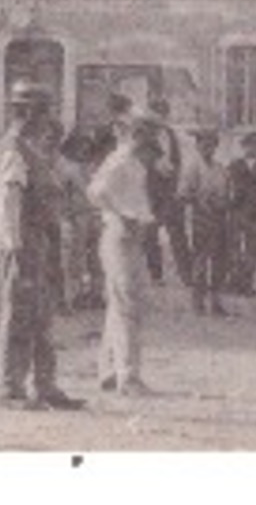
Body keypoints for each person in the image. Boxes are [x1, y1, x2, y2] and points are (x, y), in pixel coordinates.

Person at [0, 81, 83, 411]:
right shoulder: (13, 149)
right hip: (22, 243)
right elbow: (9, 201)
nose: (48, 119)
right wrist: (14, 245)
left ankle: (45, 385)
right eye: (44, 111)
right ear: (27, 112)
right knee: (18, 314)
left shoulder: (34, 151)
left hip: (41, 240)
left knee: (42, 315)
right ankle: (9, 389)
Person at [89, 114, 162, 396]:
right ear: (133, 133)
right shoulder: (120, 160)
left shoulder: (134, 162)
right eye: (145, 133)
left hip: (130, 234)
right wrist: (121, 215)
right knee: (127, 306)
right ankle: (128, 378)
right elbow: (95, 192)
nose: (149, 138)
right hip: (120, 234)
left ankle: (108, 370)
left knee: (119, 304)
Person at [178, 124, 232, 315]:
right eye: (204, 144)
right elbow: (183, 195)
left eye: (212, 144)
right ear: (198, 146)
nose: (208, 147)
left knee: (220, 260)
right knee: (201, 260)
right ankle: (198, 301)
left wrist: (224, 202)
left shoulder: (220, 169)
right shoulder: (192, 167)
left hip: (220, 218)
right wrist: (200, 200)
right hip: (201, 219)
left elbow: (228, 193)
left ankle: (216, 301)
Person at [143, 97, 193, 287]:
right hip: (151, 193)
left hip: (171, 192)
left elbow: (178, 160)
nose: (160, 119)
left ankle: (186, 275)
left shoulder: (172, 135)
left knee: (178, 234)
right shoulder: (144, 137)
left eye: (163, 114)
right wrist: (155, 165)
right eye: (156, 115)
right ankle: (156, 275)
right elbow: (141, 159)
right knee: (150, 235)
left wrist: (177, 180)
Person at [55, 129, 105, 311]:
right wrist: (66, 215)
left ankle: (96, 294)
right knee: (74, 259)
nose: (83, 150)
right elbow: (60, 194)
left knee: (97, 259)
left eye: (86, 146)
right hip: (76, 217)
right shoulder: (66, 168)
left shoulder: (94, 167)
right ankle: (74, 295)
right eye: (80, 146)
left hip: (96, 216)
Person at [226, 131, 256, 296]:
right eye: (249, 144)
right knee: (234, 248)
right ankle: (235, 281)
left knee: (253, 249)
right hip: (237, 211)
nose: (253, 148)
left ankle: (247, 283)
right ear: (243, 146)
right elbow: (227, 188)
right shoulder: (234, 166)